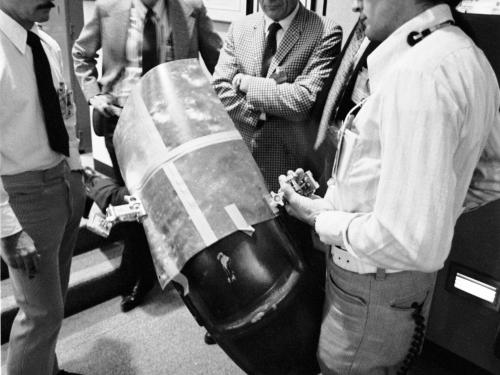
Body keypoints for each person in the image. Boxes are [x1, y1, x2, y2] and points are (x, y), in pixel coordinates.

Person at [279, 0, 500, 374]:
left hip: (368, 288)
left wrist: (321, 218)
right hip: (400, 286)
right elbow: (492, 173)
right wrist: (432, 213)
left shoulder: (419, 73)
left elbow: (406, 240)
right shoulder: (468, 56)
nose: (356, 4)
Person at [72, 0, 222, 312]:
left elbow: (220, 63)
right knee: (134, 203)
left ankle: (184, 271)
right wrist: (94, 94)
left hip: (174, 126)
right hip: (121, 123)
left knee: (179, 200)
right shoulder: (107, 8)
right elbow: (81, 54)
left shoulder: (192, 9)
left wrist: (208, 105)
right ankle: (141, 273)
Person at [0, 0, 86, 374]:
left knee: (53, 303)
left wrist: (78, 172)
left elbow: (65, 115)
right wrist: (7, 230)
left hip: (63, 183)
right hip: (24, 198)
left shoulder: (45, 44)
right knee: (40, 314)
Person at [212, 0, 342, 192]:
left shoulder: (325, 31)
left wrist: (248, 84)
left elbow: (303, 100)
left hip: (288, 169)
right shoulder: (239, 27)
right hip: (239, 163)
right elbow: (220, 90)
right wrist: (265, 112)